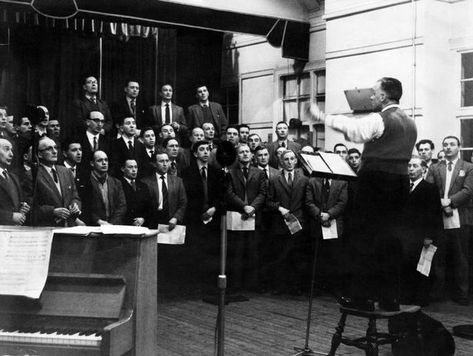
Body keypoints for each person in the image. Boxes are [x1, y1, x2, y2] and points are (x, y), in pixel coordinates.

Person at [310, 77, 417, 311]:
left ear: (383, 96)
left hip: (376, 182)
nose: (370, 96)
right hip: (400, 183)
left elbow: (355, 132)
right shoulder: (411, 123)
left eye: (374, 92)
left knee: (363, 239)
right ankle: (390, 299)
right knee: (391, 241)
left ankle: (362, 298)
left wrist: (322, 117)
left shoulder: (380, 119)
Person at [426, 136, 473, 305]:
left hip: (460, 217)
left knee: (461, 257)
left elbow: (468, 191)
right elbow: (429, 190)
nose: (448, 147)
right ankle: (438, 293)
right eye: (445, 145)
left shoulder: (468, 167)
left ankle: (462, 293)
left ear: (459, 147)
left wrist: (449, 202)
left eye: (452, 144)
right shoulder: (435, 167)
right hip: (439, 217)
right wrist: (441, 204)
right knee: (438, 256)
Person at [265, 149, 309, 295]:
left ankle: (296, 287)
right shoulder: (274, 179)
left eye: (292, 159)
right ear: (281, 162)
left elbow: (307, 202)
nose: (289, 162)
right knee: (281, 255)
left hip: (298, 222)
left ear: (296, 161)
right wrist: (280, 208)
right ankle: (280, 286)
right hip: (280, 222)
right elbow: (268, 201)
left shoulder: (303, 180)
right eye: (286, 159)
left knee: (297, 255)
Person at [182, 140, 224, 291]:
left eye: (207, 149)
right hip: (195, 218)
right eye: (202, 149)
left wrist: (213, 209)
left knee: (211, 251)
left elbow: (221, 196)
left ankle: (210, 285)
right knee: (196, 251)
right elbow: (186, 197)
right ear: (195, 153)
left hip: (213, 217)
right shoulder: (186, 172)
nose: (206, 152)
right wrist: (200, 213)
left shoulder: (216, 172)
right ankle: (195, 285)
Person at [400, 155, 442, 305]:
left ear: (424, 169)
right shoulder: (402, 187)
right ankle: (405, 297)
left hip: (420, 235)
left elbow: (434, 214)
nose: (411, 169)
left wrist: (429, 236)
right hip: (404, 235)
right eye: (409, 166)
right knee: (405, 265)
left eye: (415, 166)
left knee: (421, 267)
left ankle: (420, 299)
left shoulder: (430, 189)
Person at [226, 143, 267, 292]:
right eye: (241, 152)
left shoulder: (259, 173)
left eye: (247, 151)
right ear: (237, 156)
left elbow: (263, 193)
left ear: (251, 155)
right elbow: (229, 193)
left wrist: (252, 207)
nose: (245, 154)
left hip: (254, 216)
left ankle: (252, 284)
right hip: (238, 216)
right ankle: (236, 285)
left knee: (253, 252)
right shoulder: (230, 173)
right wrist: (244, 206)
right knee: (237, 252)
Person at [306, 175, 348, 295]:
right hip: (317, 224)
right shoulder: (312, 181)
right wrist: (320, 215)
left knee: (334, 256)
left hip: (334, 223)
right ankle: (318, 288)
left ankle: (334, 288)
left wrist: (329, 214)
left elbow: (342, 202)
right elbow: (309, 202)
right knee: (318, 257)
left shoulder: (342, 182)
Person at [33, 136, 83, 227]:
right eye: (49, 149)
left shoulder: (66, 171)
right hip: (48, 227)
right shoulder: (33, 175)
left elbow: (75, 197)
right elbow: (31, 208)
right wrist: (52, 211)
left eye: (55, 148)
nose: (55, 151)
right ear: (40, 154)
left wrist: (75, 206)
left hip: (69, 226)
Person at [142, 151, 187, 229]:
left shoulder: (178, 181)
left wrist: (176, 217)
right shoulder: (146, 182)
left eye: (167, 161)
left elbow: (183, 202)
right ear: (154, 164)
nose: (165, 164)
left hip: (171, 220)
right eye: (161, 161)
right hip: (152, 221)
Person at [83, 150, 126, 226]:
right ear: (92, 163)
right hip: (94, 226)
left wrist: (111, 224)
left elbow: (122, 206)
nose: (104, 163)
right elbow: (85, 207)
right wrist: (98, 221)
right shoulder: (85, 182)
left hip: (114, 227)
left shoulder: (116, 182)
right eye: (100, 160)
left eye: (106, 160)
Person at [0, 138, 30, 225]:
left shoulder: (13, 177)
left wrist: (22, 207)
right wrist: (10, 216)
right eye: (6, 149)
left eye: (11, 150)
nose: (11, 154)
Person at [121, 159, 152, 227]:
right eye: (130, 167)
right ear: (123, 169)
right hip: (125, 225)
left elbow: (149, 207)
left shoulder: (143, 186)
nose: (134, 170)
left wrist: (143, 219)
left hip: (142, 225)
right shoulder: (119, 185)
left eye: (135, 167)